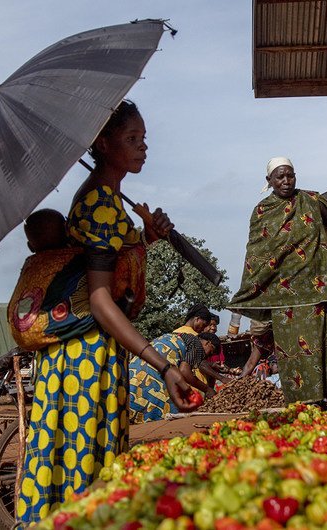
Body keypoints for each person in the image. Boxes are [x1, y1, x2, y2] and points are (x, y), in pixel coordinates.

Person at [15, 100, 198, 523]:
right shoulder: (99, 202)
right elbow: (100, 301)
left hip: (93, 352)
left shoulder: (109, 201)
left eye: (144, 138)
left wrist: (145, 238)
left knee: (83, 462)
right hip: (84, 356)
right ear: (102, 143)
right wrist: (163, 365)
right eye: (131, 139)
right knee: (83, 468)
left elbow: (111, 271)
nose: (143, 147)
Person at [228, 157, 327, 403]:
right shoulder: (262, 211)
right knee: (294, 351)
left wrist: (321, 244)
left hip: (319, 287)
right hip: (285, 295)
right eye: (280, 177)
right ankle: (302, 404)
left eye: (290, 175)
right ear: (269, 181)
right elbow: (257, 252)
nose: (286, 181)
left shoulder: (311, 201)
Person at [129, 331, 220, 423]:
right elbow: (185, 371)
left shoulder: (178, 336)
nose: (208, 355)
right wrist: (207, 389)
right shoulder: (197, 344)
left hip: (136, 370)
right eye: (211, 351)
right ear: (208, 343)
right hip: (155, 373)